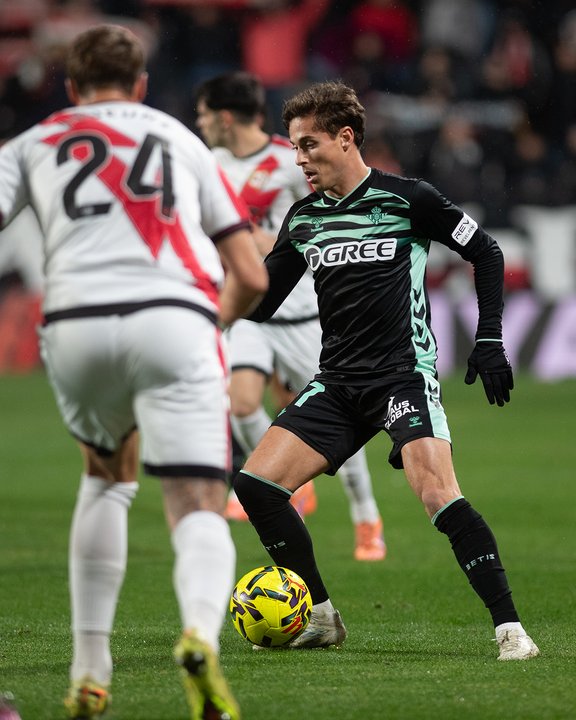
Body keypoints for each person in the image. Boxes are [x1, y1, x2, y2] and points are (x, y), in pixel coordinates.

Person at [0, 24, 268, 720]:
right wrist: (208, 329)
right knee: (197, 500)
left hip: (75, 322)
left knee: (105, 476)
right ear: (142, 84)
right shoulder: (183, 140)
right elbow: (250, 275)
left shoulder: (32, 142)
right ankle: (200, 635)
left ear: (70, 86)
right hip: (175, 317)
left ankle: (91, 671)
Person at [233, 80, 539, 661]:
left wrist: (490, 338)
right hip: (337, 382)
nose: (299, 160)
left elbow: (487, 251)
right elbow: (263, 302)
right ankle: (322, 616)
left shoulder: (409, 198)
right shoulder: (304, 218)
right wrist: (209, 293)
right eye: (294, 148)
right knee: (256, 486)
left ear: (346, 138)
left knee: (438, 494)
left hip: (403, 375)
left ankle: (511, 631)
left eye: (308, 145)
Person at [195, 71, 386, 561]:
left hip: (301, 313)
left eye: (203, 115)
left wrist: (256, 239)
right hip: (251, 312)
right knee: (240, 403)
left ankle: (366, 518)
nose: (199, 124)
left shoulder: (289, 159)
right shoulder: (211, 164)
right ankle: (290, 483)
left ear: (224, 116)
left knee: (343, 424)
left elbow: (318, 220)